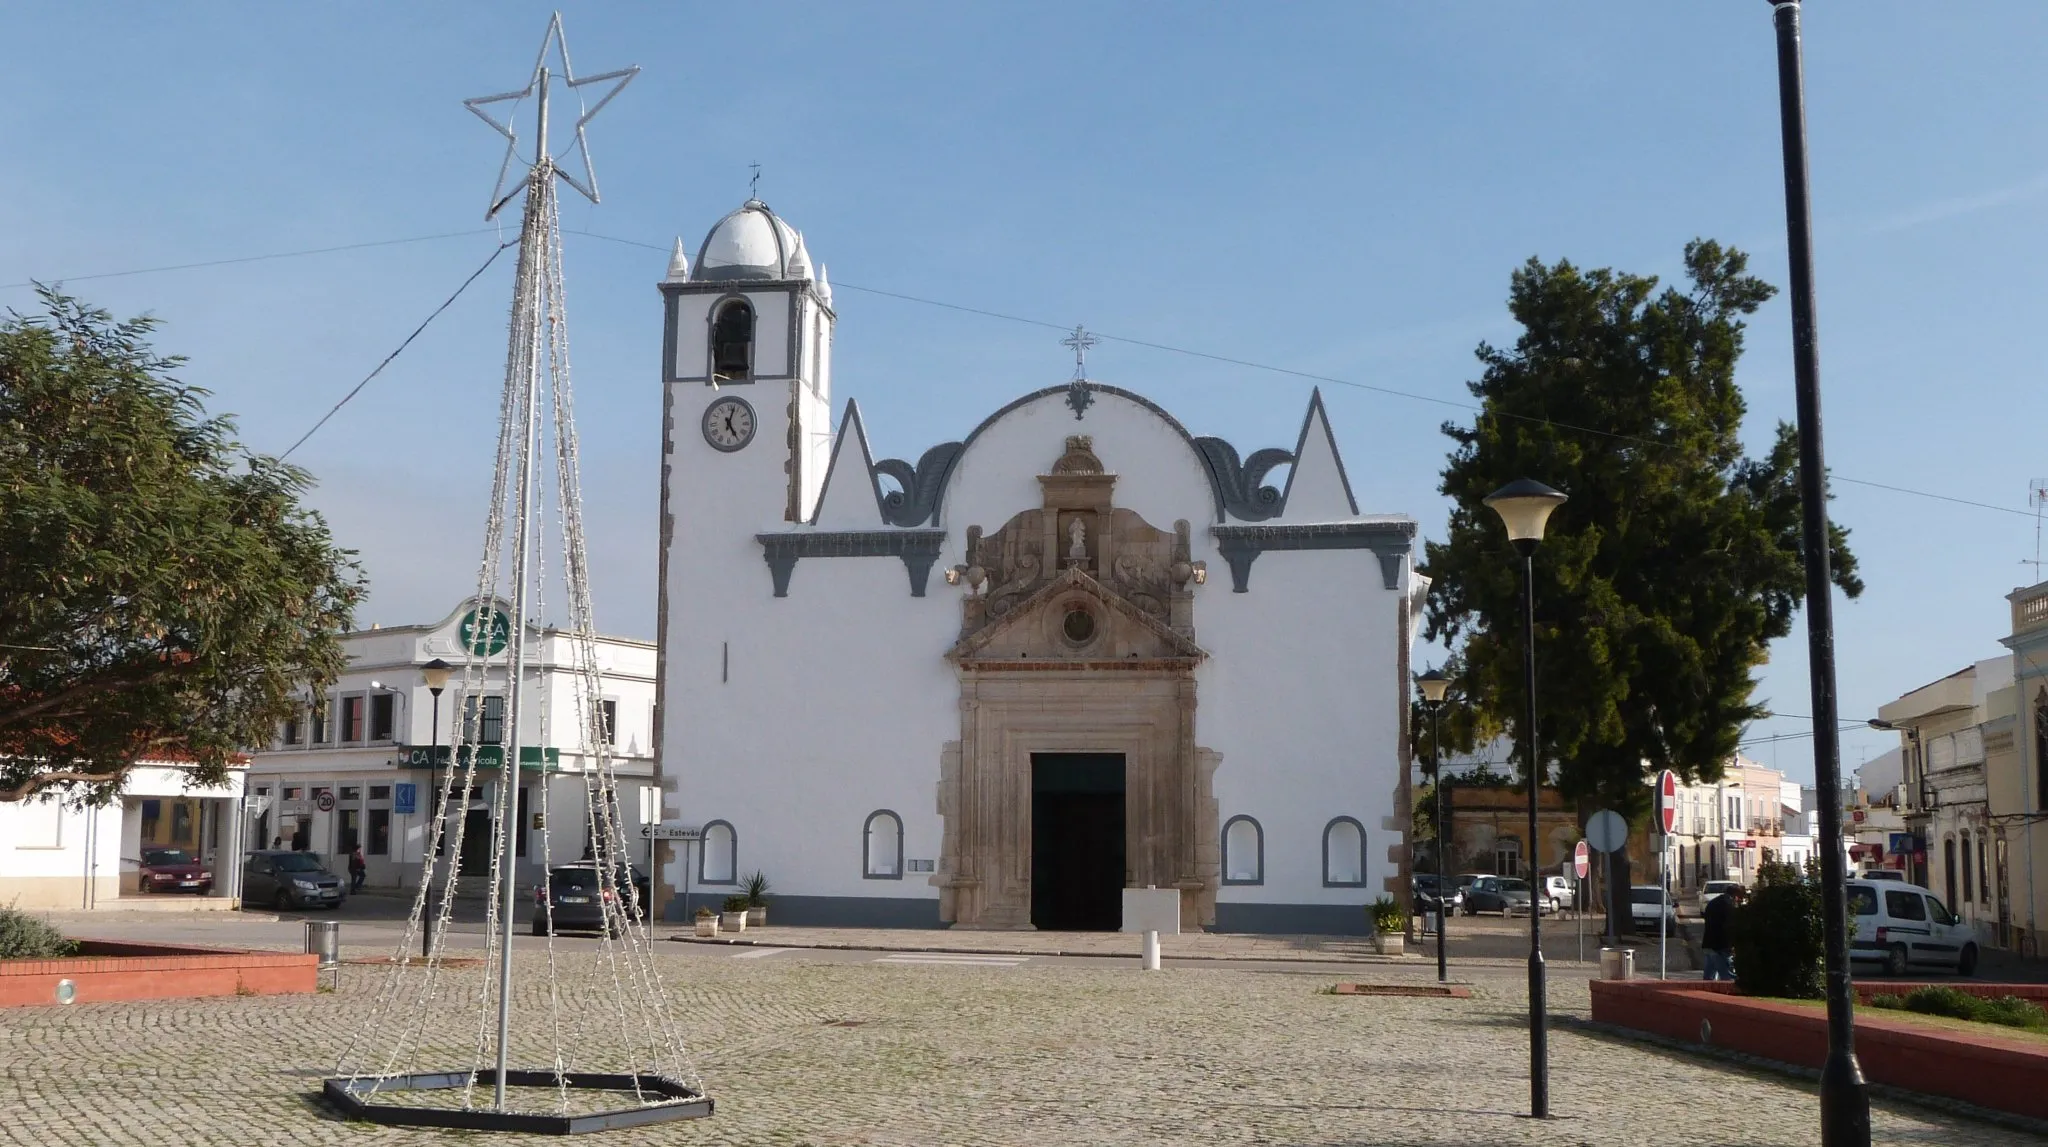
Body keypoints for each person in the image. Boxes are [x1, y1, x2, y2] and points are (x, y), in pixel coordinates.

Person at [1701, 885, 1744, 981]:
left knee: (1709, 975)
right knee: (1727, 975)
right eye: (1738, 898)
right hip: (1722, 945)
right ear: (1735, 895)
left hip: (1708, 942)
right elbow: (1729, 927)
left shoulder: (1713, 903)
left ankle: (1707, 992)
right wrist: (1733, 944)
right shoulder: (1729, 906)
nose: (1738, 901)